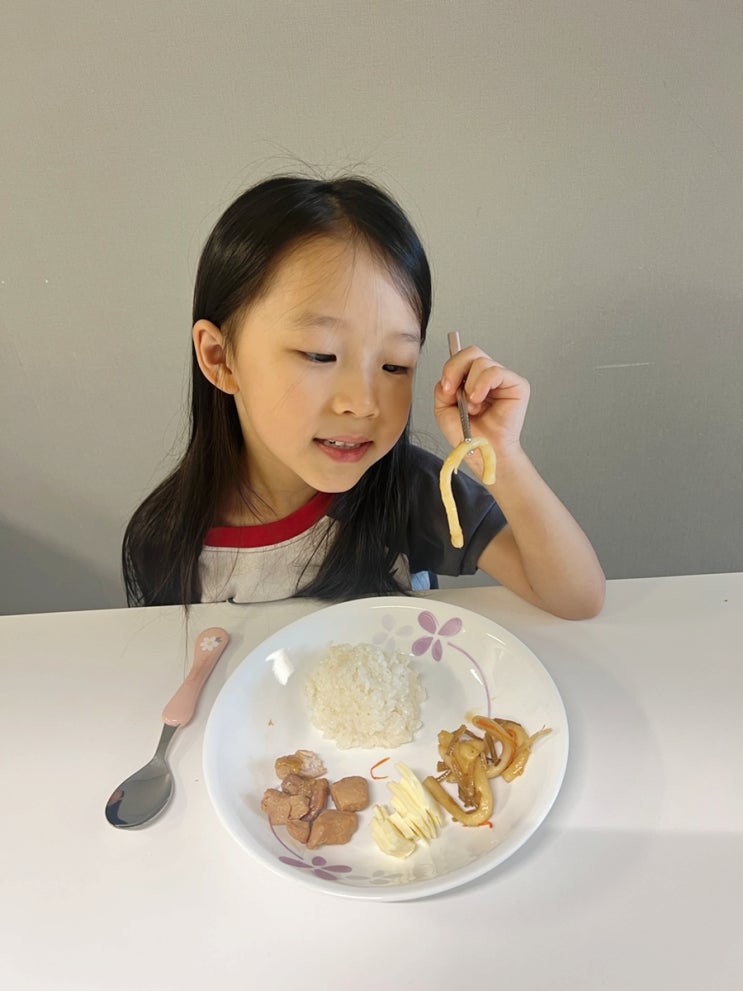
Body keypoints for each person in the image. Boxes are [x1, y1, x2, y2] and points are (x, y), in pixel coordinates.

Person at [122, 175, 605, 619]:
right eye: (320, 355)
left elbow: (576, 598)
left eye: (395, 365)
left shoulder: (409, 492)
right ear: (220, 358)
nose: (364, 403)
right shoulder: (168, 537)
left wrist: (502, 455)